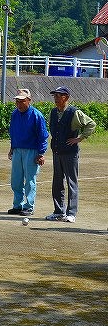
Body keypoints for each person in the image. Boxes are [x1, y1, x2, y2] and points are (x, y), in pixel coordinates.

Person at [45, 86, 96, 223]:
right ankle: (58, 211)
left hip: (70, 153)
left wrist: (79, 138)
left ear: (66, 97)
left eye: (58, 96)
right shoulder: (53, 112)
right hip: (57, 152)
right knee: (57, 182)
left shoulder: (74, 112)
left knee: (71, 182)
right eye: (54, 96)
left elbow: (91, 124)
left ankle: (71, 213)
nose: (55, 98)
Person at [7, 89, 49, 217]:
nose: (19, 104)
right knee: (16, 179)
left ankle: (29, 206)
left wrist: (41, 153)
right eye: (17, 101)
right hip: (18, 149)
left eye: (22, 101)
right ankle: (17, 205)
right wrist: (12, 147)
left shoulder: (37, 115)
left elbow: (43, 135)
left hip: (32, 150)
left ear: (29, 101)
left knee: (30, 180)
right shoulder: (15, 114)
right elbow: (13, 132)